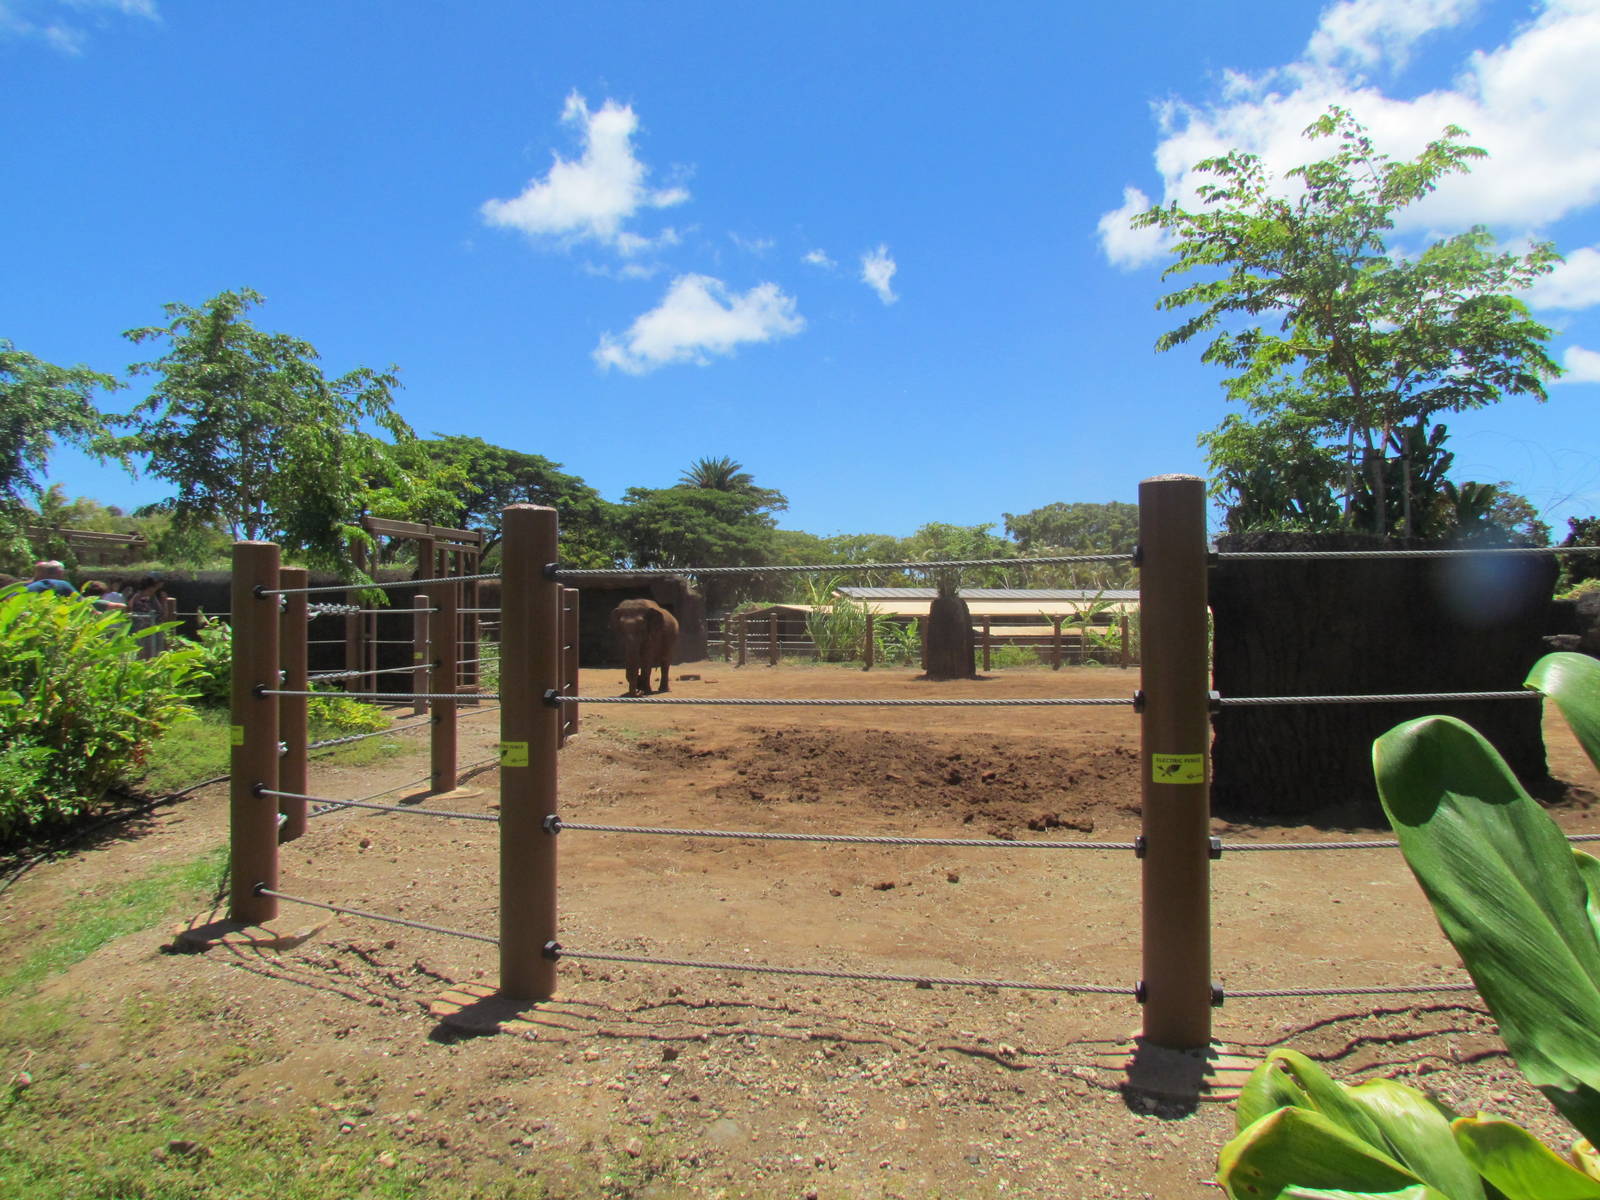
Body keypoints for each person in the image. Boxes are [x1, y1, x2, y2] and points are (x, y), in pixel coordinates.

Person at [126, 575, 168, 656]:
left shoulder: (157, 596)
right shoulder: (138, 596)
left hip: (154, 630)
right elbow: (129, 609)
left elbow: (162, 615)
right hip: (141, 630)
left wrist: (164, 602)